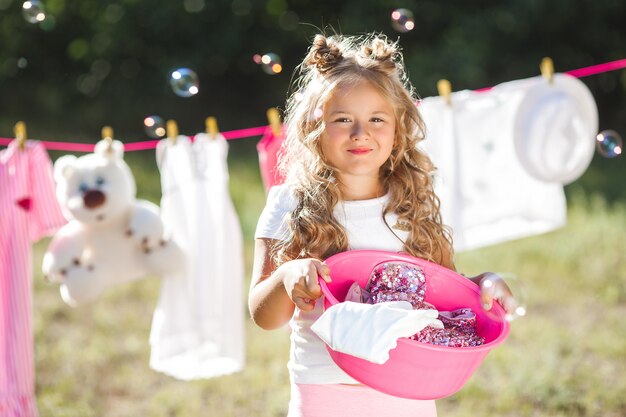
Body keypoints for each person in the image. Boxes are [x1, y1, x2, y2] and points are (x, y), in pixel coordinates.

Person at [248, 32, 516, 417]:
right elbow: (262, 315)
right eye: (343, 120)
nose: (362, 133)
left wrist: (484, 284)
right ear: (313, 128)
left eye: (376, 118)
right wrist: (287, 275)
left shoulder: (411, 206)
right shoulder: (289, 202)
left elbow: (447, 299)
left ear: (398, 127)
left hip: (408, 391)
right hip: (326, 392)